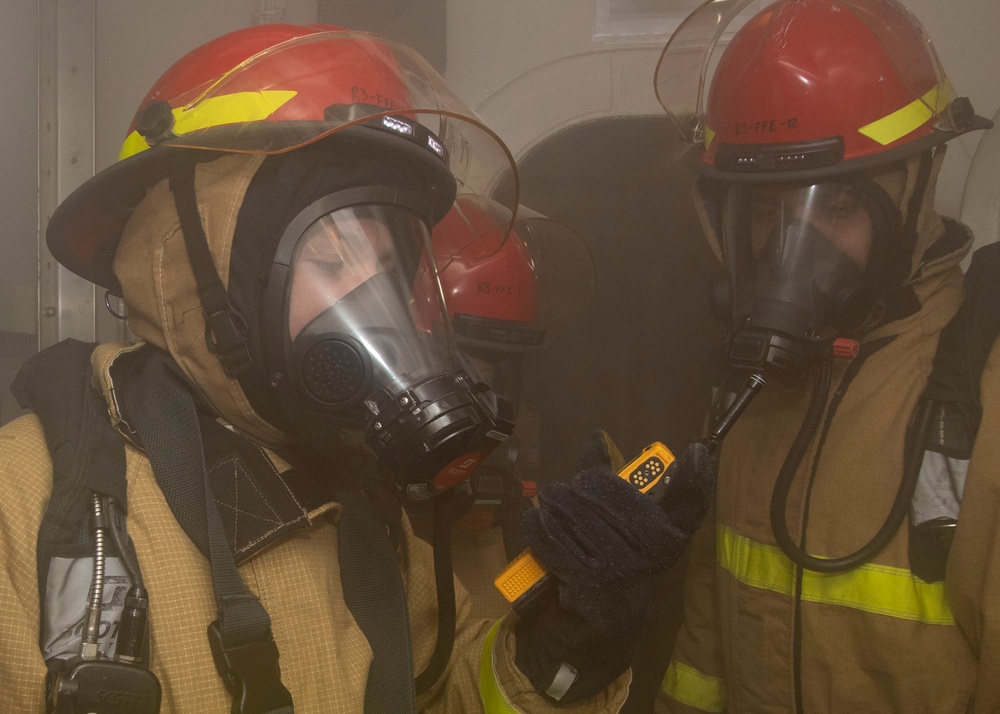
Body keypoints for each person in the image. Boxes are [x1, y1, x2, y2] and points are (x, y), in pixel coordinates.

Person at [0, 23, 713, 713]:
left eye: (388, 269)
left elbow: (444, 695)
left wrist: (563, 646)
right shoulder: (26, 503)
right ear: (203, 272)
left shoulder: (365, 506)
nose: (372, 306)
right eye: (335, 259)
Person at [650, 0, 996, 711]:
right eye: (769, 213)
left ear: (914, 196)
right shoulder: (749, 398)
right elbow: (704, 660)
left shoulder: (981, 399)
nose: (792, 250)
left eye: (836, 208)